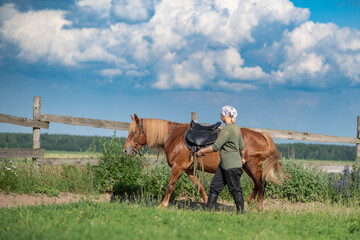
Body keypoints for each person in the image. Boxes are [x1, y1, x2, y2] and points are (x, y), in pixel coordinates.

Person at [196, 105, 246, 214]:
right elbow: (242, 147)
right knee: (214, 187)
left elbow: (216, 147)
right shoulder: (237, 128)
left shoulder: (227, 129)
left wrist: (202, 151)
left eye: (221, 114)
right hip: (224, 165)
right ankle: (208, 210)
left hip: (230, 166)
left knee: (235, 189)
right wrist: (242, 158)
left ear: (225, 115)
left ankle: (241, 213)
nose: (220, 116)